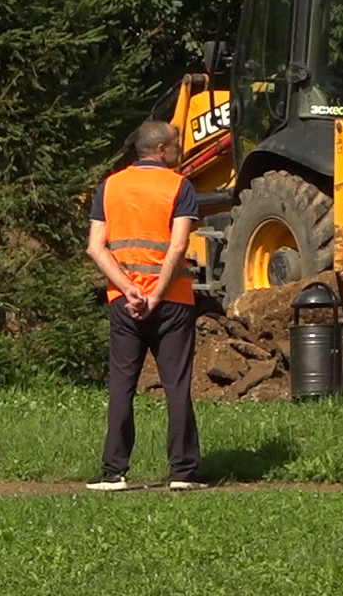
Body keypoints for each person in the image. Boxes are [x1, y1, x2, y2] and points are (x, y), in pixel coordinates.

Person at [84, 119, 204, 491]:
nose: (180, 150)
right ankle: (182, 473)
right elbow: (178, 246)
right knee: (176, 385)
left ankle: (113, 472)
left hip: (124, 302)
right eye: (177, 144)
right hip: (172, 302)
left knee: (122, 384)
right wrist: (155, 294)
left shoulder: (110, 185)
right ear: (162, 150)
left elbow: (95, 247)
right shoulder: (180, 186)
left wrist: (128, 288)